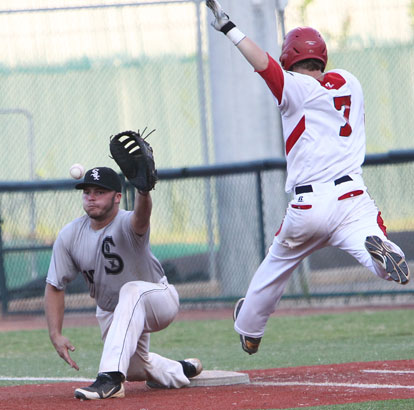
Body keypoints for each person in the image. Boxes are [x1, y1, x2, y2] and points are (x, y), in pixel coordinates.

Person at [206, 0, 410, 355]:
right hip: (353, 199)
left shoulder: (295, 87)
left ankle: (251, 330)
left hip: (310, 204)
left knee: (278, 263)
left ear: (290, 59)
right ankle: (385, 253)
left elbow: (265, 66)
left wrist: (230, 29)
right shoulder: (350, 82)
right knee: (370, 243)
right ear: (323, 58)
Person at [44, 166, 202, 400]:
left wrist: (143, 191)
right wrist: (55, 334)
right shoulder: (70, 235)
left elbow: (142, 216)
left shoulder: (128, 222)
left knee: (131, 290)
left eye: (99, 192)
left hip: (157, 299)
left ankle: (110, 380)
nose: (91, 197)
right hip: (113, 311)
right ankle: (180, 370)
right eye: (87, 192)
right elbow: (55, 286)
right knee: (134, 368)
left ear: (118, 197)